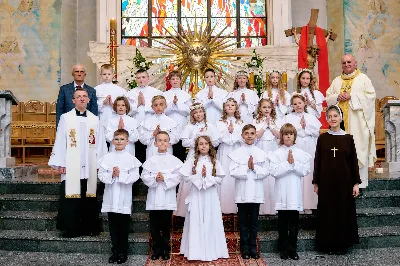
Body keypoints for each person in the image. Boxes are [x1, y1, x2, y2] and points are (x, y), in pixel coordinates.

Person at [49, 88, 103, 238]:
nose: (81, 99)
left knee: (88, 196)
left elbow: (100, 144)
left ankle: (90, 227)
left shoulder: (95, 119)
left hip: (89, 163)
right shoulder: (66, 118)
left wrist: (99, 163)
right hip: (71, 165)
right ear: (73, 100)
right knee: (71, 197)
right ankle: (70, 228)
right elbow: (60, 140)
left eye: (84, 96)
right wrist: (61, 162)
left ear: (89, 100)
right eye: (78, 96)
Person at [313, 105, 360, 255]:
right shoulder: (322, 138)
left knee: (342, 211)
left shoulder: (348, 138)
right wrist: (316, 182)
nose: (332, 119)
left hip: (344, 182)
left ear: (341, 118)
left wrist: (356, 183)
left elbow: (353, 162)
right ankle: (327, 245)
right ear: (327, 119)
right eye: (330, 116)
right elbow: (318, 161)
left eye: (335, 116)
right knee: (328, 212)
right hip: (326, 182)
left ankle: (342, 244)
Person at [326, 54, 376, 190]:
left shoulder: (363, 79)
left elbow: (371, 96)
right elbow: (328, 98)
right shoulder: (336, 81)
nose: (346, 64)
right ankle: (341, 181)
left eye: (349, 62)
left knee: (357, 150)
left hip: (357, 124)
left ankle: (359, 182)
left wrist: (351, 97)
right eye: (344, 63)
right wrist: (337, 96)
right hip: (340, 126)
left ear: (355, 63)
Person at [179, 136, 229, 261]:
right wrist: (198, 177)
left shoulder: (214, 161)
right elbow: (186, 176)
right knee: (196, 217)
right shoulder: (192, 161)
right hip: (197, 193)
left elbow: (220, 178)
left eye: (206, 143)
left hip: (210, 194)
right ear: (197, 147)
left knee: (210, 218)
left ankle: (212, 250)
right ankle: (196, 251)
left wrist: (207, 179)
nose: (203, 146)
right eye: (201, 144)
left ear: (210, 146)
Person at [98, 129, 141, 264]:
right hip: (111, 196)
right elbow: (101, 175)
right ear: (112, 141)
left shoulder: (131, 159)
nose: (119, 142)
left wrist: (120, 175)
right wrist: (111, 175)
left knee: (123, 226)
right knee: (113, 226)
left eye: (122, 139)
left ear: (127, 142)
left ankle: (123, 252)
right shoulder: (107, 158)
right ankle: (115, 251)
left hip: (124, 197)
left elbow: (135, 176)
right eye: (117, 139)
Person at [269, 123, 311, 260]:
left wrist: (293, 164)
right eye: (285, 134)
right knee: (282, 222)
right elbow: (274, 172)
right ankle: (283, 248)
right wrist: (287, 164)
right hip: (281, 192)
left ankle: (293, 249)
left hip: (294, 192)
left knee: (294, 222)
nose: (288, 136)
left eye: (290, 134)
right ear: (281, 136)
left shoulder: (301, 154)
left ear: (294, 136)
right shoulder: (275, 154)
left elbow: (304, 170)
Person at [141, 131, 183, 261]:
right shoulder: (150, 161)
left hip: (167, 196)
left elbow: (178, 177)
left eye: (165, 140)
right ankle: (156, 249)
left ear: (169, 143)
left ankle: (165, 249)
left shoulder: (174, 161)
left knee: (165, 225)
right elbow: (144, 176)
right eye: (160, 140)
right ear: (155, 143)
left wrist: (165, 178)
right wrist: (154, 178)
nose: (162, 143)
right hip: (154, 197)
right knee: (154, 226)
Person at [229, 124, 269, 260]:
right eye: (247, 133)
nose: (250, 136)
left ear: (256, 135)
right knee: (243, 223)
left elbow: (266, 171)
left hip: (256, 193)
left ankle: (253, 248)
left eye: (252, 133)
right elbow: (232, 171)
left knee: (254, 223)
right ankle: (244, 248)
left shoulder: (261, 153)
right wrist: (246, 168)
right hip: (242, 193)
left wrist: (255, 168)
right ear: (242, 136)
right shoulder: (237, 153)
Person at [175, 102, 220, 217]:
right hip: (193, 155)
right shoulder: (189, 127)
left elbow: (216, 141)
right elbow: (184, 142)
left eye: (200, 112)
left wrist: (206, 142)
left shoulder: (211, 126)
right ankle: (187, 208)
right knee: (192, 176)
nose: (198, 114)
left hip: (207, 155)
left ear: (204, 113)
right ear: (192, 115)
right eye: (195, 113)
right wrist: (197, 140)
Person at [283, 94, 321, 212]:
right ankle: (296, 203)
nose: (298, 105)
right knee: (296, 173)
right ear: (292, 106)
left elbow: (316, 133)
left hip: (309, 146)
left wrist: (306, 127)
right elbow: (284, 133)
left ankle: (309, 204)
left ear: (304, 103)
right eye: (295, 104)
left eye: (300, 103)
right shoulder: (287, 117)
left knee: (308, 173)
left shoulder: (311, 117)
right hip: (295, 146)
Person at [126, 69, 162, 163]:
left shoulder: (156, 92)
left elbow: (160, 109)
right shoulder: (130, 93)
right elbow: (126, 111)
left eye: (143, 77)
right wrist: (137, 104)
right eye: (138, 78)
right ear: (136, 80)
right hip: (136, 126)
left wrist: (145, 104)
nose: (141, 80)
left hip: (151, 128)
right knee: (138, 154)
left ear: (148, 78)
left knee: (151, 153)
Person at [253, 98, 281, 215]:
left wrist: (271, 125)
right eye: (264, 107)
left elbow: (279, 136)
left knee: (272, 176)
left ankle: (273, 206)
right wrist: (265, 126)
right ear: (260, 108)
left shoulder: (276, 120)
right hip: (260, 148)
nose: (267, 109)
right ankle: (261, 207)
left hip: (273, 148)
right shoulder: (256, 121)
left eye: (269, 107)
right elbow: (255, 136)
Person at [216, 98, 244, 214]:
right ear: (224, 108)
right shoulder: (219, 123)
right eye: (228, 105)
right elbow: (216, 139)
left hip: (237, 150)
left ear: (236, 107)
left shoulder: (241, 122)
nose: (230, 107)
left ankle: (237, 205)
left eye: (233, 105)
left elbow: (244, 137)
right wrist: (228, 132)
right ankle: (222, 204)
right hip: (224, 150)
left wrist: (234, 134)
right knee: (225, 173)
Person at [138, 95, 179, 160]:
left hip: (167, 150)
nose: (158, 107)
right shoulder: (146, 122)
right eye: (156, 105)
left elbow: (176, 138)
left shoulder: (172, 122)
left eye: (161, 104)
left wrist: (164, 138)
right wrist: (153, 134)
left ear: (165, 105)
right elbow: (142, 139)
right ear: (152, 107)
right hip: (152, 150)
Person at [163, 70, 192, 162]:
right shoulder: (164, 95)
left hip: (181, 125)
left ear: (180, 80)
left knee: (180, 153)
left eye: (177, 78)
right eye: (173, 79)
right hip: (168, 125)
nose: (175, 81)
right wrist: (173, 105)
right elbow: (162, 111)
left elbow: (188, 111)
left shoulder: (186, 95)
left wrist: (177, 105)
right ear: (170, 81)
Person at [95, 64, 127, 129]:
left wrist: (113, 105)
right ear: (100, 76)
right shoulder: (96, 89)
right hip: (101, 117)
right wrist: (103, 103)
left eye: (109, 74)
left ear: (113, 75)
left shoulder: (120, 90)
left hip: (115, 116)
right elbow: (93, 105)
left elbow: (126, 105)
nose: (106, 76)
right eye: (104, 74)